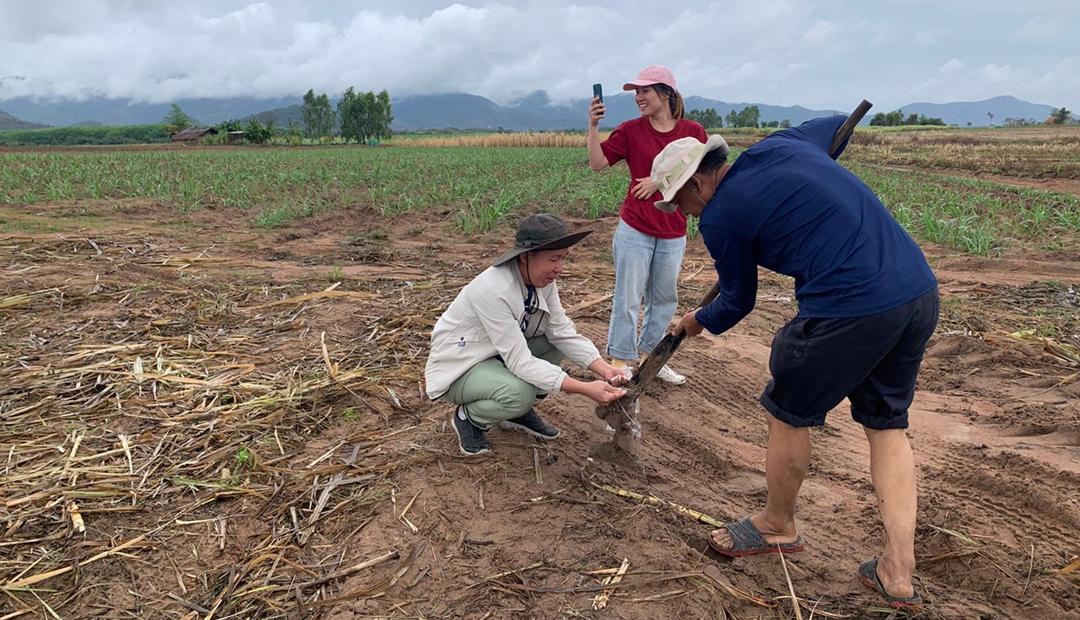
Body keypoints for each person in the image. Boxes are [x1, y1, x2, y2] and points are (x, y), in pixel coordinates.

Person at [649, 118, 938, 610]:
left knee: (786, 409)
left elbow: (738, 301)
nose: (687, 215)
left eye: (681, 202)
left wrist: (696, 319)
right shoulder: (784, 144)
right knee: (887, 426)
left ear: (698, 182)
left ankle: (777, 525)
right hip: (915, 293)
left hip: (848, 307)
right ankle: (898, 570)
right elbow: (834, 127)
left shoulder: (722, 217)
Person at [425, 213, 628, 456]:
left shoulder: (541, 280)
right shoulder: (493, 289)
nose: (559, 268)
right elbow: (519, 361)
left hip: (495, 356)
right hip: (462, 366)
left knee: (554, 343)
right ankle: (469, 418)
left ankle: (516, 413)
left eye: (563, 258)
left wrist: (604, 369)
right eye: (553, 259)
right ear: (525, 257)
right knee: (519, 393)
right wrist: (583, 388)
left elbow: (561, 331)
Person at [587, 65, 706, 384]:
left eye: (645, 91)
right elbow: (598, 163)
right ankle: (621, 362)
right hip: (635, 228)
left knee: (664, 298)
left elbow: (700, 171)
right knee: (628, 296)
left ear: (666, 94)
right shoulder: (630, 130)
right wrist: (593, 125)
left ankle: (652, 359)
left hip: (672, 229)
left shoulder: (692, 131)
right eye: (636, 92)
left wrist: (658, 180)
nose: (638, 97)